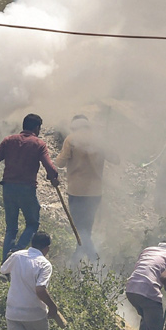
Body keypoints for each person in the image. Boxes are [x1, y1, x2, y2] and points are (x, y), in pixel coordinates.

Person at [0, 113, 61, 261]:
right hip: (27, 190)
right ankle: (16, 250)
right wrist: (53, 177)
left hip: (8, 188)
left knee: (11, 229)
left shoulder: (8, 141)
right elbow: (49, 167)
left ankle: (5, 266)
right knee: (32, 224)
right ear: (37, 128)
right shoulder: (38, 144)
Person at [0, 231, 66, 330]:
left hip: (13, 311)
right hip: (35, 313)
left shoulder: (17, 256)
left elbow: (3, 270)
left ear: (31, 243)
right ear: (47, 248)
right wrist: (53, 307)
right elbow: (40, 289)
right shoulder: (44, 264)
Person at [54, 114, 119, 268]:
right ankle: (75, 263)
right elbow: (116, 159)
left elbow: (60, 163)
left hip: (76, 191)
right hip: (95, 193)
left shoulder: (71, 139)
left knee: (80, 230)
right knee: (86, 230)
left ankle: (96, 263)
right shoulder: (99, 139)